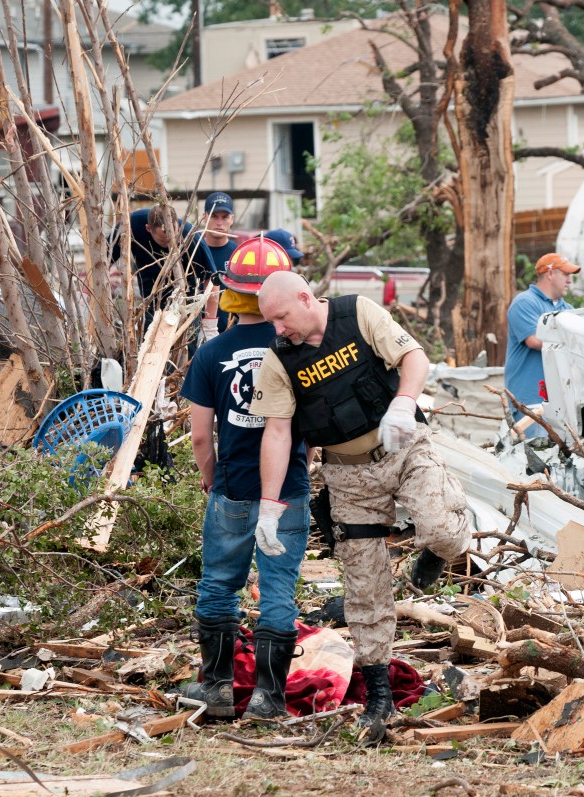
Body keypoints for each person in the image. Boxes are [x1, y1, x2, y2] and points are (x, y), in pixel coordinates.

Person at [250, 272, 471, 743]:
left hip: (404, 446)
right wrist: (269, 506)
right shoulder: (279, 361)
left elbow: (414, 356)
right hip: (348, 477)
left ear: (306, 298)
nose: (278, 329)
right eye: (270, 322)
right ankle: (378, 696)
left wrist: (403, 402)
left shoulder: (357, 313)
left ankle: (436, 550)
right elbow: (277, 432)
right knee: (365, 588)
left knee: (443, 531)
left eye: (282, 317)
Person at [179, 237, 310, 722]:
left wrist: (212, 478)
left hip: (233, 486)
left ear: (230, 290)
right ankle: (267, 698)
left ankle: (215, 689)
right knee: (278, 590)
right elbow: (309, 428)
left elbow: (198, 436)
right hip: (289, 491)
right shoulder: (297, 347)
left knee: (218, 584)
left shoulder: (212, 353)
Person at [505, 253, 579, 432]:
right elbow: (536, 341)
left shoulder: (567, 309)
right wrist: (573, 340)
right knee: (535, 454)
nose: (569, 281)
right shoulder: (524, 303)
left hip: (561, 400)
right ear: (550, 273)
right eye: (566, 275)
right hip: (529, 400)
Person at [109, 204, 216, 317]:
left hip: (187, 304)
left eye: (172, 239)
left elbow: (212, 279)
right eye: (164, 241)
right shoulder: (131, 225)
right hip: (151, 302)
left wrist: (210, 323)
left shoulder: (191, 238)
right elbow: (105, 259)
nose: (169, 244)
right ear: (148, 229)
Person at [201, 193, 238, 336]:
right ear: (204, 217)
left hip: (231, 332)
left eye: (225, 217)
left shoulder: (238, 254)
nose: (219, 223)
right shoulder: (194, 251)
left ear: (232, 219)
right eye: (214, 216)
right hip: (194, 334)